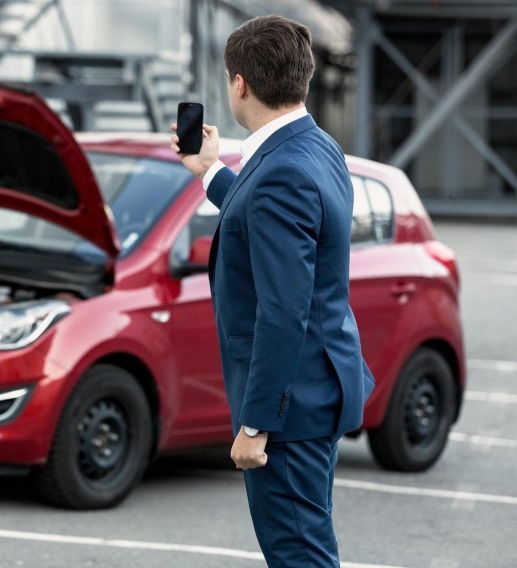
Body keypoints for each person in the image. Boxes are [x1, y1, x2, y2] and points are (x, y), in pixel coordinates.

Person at [171, 14, 375, 567]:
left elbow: (284, 312)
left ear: (239, 83)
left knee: (299, 555)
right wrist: (208, 172)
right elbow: (270, 217)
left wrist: (256, 425)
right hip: (319, 387)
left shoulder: (280, 169)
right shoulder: (315, 145)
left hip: (290, 407)